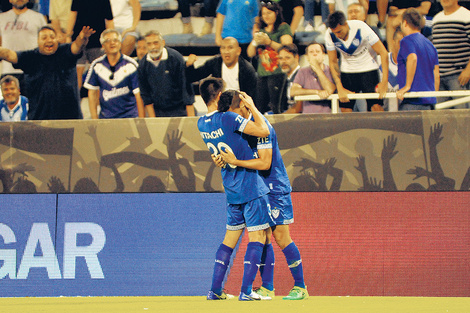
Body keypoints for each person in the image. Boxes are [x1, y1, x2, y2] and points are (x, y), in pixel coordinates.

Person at [217, 93, 310, 301]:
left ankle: (300, 286)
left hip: (275, 187)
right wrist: (223, 160)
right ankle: (267, 287)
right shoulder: (242, 127)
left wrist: (236, 161)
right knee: (264, 236)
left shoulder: (262, 127)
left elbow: (265, 163)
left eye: (235, 111)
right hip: (257, 188)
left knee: (281, 237)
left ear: (245, 106)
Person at [198, 78, 272, 301]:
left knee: (230, 239)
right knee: (257, 235)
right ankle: (246, 291)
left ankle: (215, 290)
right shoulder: (228, 117)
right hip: (249, 184)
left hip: (230, 186)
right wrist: (252, 106)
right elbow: (262, 130)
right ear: (220, 95)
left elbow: (221, 150)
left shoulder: (201, 122)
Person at [0, 25, 95, 120]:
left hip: (70, 118)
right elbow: (7, 54)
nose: (49, 40)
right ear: (37, 41)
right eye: (44, 38)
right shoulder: (30, 57)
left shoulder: (66, 52)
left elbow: (77, 46)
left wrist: (82, 37)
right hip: (39, 120)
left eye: (52, 37)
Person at [325, 11, 389, 112]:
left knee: (376, 107)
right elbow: (332, 62)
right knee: (345, 109)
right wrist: (339, 87)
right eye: (335, 33)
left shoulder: (361, 27)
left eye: (339, 31)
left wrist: (384, 81)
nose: (337, 35)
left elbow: (383, 52)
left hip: (369, 69)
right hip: (348, 71)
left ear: (345, 24)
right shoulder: (329, 34)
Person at [84, 29, 145, 119]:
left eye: (115, 40)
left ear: (120, 44)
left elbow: (139, 95)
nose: (112, 43)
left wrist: (141, 120)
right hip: (106, 119)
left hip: (130, 117)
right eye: (108, 41)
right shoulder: (97, 65)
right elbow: (92, 93)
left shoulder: (131, 65)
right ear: (103, 45)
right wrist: (94, 120)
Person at [247, 1, 293, 114]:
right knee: (259, 109)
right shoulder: (261, 31)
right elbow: (250, 53)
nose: (266, 16)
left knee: (277, 108)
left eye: (269, 13)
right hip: (262, 75)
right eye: (264, 13)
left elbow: (287, 48)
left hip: (278, 73)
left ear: (276, 13)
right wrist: (255, 41)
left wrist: (268, 42)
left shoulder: (283, 28)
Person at [137, 30, 194, 117]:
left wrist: (191, 119)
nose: (153, 47)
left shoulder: (176, 58)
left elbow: (186, 89)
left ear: (163, 43)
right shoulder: (143, 64)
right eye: (149, 44)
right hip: (158, 111)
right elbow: (146, 95)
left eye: (156, 43)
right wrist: (154, 121)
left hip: (180, 110)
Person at [185, 37, 258, 98]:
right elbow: (193, 77)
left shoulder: (247, 69)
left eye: (230, 48)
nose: (226, 51)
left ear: (238, 51)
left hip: (240, 105)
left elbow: (251, 96)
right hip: (220, 106)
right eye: (223, 48)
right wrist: (189, 65)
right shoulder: (215, 63)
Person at [396, 8, 439, 110]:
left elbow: (412, 58)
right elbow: (436, 73)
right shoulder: (430, 44)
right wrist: (434, 95)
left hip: (412, 101)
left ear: (405, 23)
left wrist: (407, 86)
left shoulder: (406, 40)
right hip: (429, 103)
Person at [66, 0, 114, 90]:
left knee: (100, 74)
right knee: (77, 74)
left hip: (97, 42)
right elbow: (73, 15)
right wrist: (68, 35)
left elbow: (109, 20)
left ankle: (100, 102)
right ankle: (76, 102)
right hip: (79, 41)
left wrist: (109, 40)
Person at [0, 0, 47, 88]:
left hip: (33, 70)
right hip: (8, 71)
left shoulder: (38, 18)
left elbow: (44, 44)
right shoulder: (1, 18)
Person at [432, 0, 470, 108]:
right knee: (441, 119)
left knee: (463, 116)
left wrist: (468, 70)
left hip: (459, 77)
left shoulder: (466, 16)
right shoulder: (436, 19)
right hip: (439, 78)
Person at [290, 42, 336, 113]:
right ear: (307, 57)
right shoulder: (302, 71)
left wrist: (317, 68)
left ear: (323, 55)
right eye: (311, 52)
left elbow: (330, 90)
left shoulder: (331, 70)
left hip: (328, 116)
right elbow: (293, 91)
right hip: (308, 117)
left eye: (318, 51)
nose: (315, 54)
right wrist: (317, 92)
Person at [380, 27, 403, 111]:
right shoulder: (380, 61)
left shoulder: (412, 63)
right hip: (383, 114)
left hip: (405, 114)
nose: (403, 46)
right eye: (400, 42)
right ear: (393, 42)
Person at [277, 44, 301, 112]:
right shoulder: (283, 78)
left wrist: (280, 119)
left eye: (287, 58)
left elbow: (299, 107)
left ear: (296, 58)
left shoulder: (302, 75)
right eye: (281, 58)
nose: (283, 61)